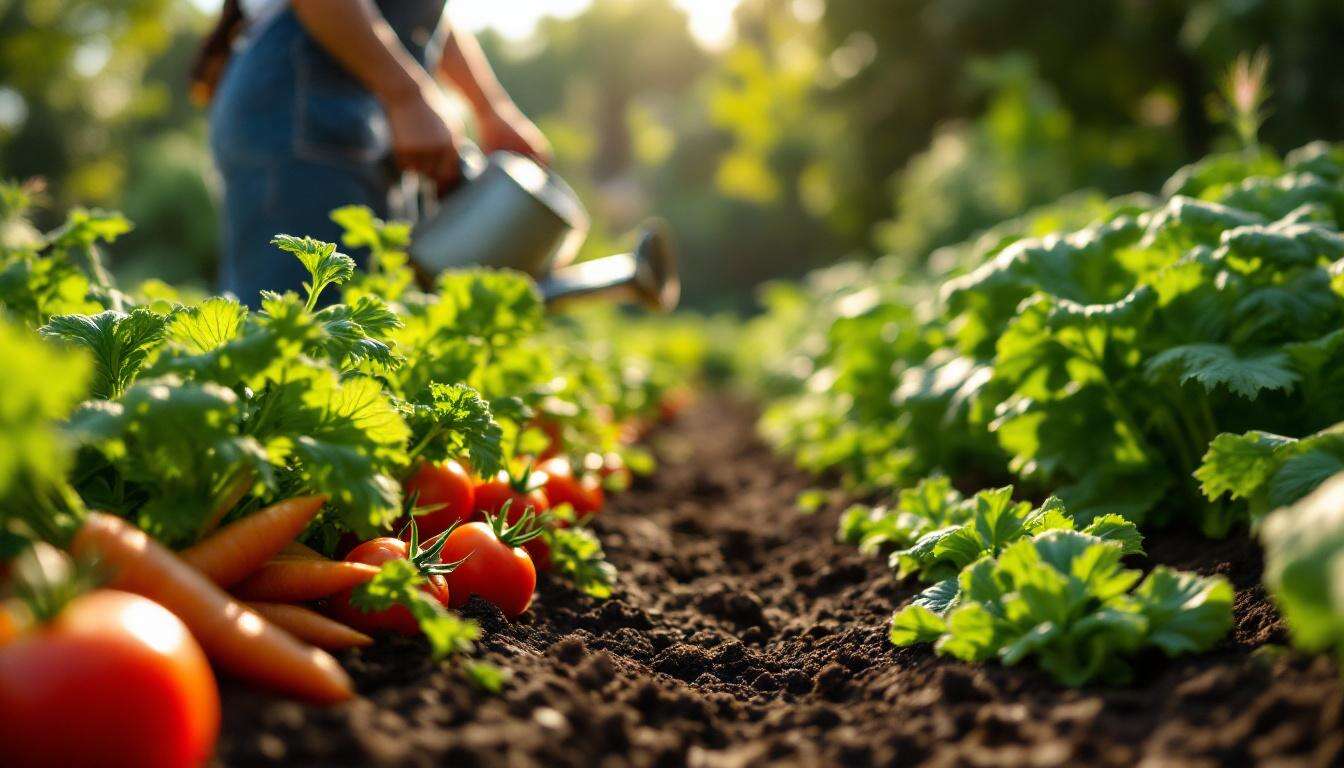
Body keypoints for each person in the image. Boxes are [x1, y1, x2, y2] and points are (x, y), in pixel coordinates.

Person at [191, 0, 550, 305]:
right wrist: (407, 97)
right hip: (302, 104)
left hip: (345, 107)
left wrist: (490, 109)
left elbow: (416, 13)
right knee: (297, 325)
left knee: (359, 320)